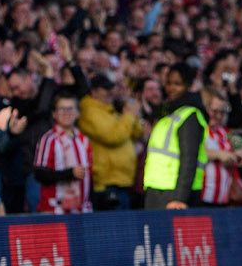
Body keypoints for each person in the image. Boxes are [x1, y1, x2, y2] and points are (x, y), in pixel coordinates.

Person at [143, 62, 206, 210]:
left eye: (178, 84)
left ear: (189, 85)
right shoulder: (168, 113)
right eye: (169, 83)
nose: (171, 88)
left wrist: (180, 198)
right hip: (156, 190)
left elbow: (189, 160)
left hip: (174, 195)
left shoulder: (190, 116)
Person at [79, 74, 143, 211]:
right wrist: (130, 115)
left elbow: (135, 133)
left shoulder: (111, 110)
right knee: (112, 229)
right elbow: (113, 137)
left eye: (112, 88)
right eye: (105, 89)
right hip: (106, 182)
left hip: (121, 181)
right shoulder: (89, 110)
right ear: (94, 91)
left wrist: (133, 112)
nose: (110, 92)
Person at [33, 94, 92, 214]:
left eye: (71, 108)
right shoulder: (49, 139)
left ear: (78, 113)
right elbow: (40, 174)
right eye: (62, 109)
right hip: (55, 209)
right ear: (54, 113)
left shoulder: (83, 140)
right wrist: (70, 173)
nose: (66, 113)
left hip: (81, 210)